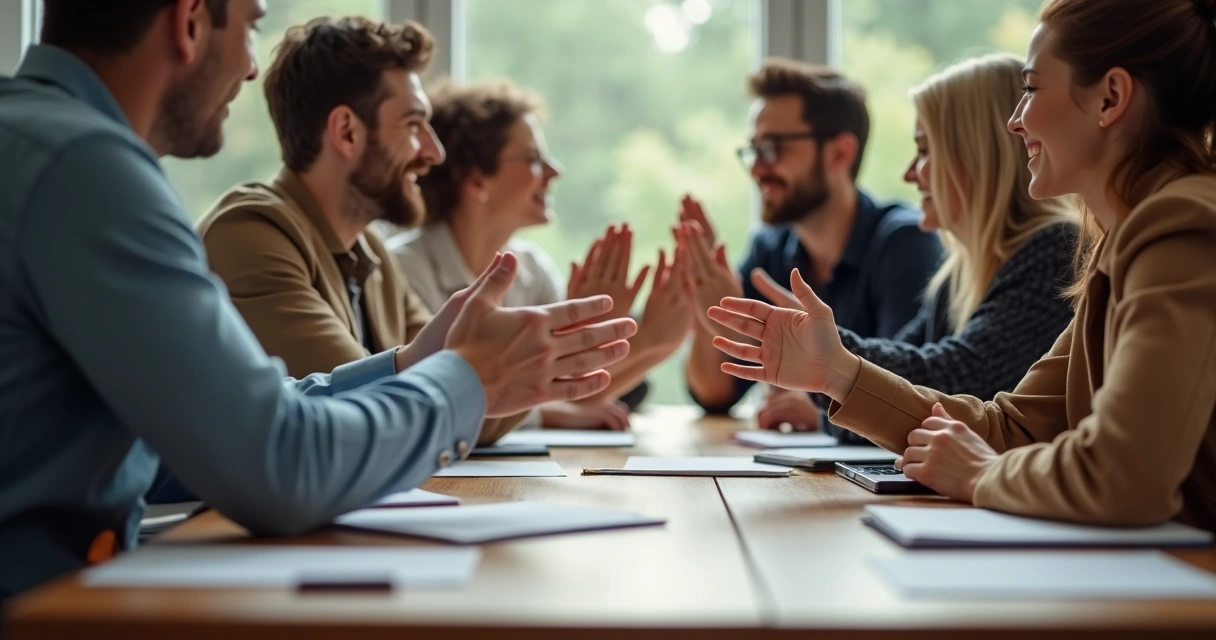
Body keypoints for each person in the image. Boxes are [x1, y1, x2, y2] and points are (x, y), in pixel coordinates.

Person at [0, 0, 633, 599]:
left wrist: (415, 365)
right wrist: (465, 377)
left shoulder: (42, 143)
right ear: (189, 21)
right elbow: (284, 460)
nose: (252, 66)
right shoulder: (89, 167)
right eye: (250, 25)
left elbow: (199, 435)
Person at [709, 0, 1216, 530]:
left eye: (1032, 88)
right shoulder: (1126, 240)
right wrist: (836, 372)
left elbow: (1123, 476)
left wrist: (982, 476)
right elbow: (1011, 429)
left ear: (1110, 98)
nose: (1016, 122)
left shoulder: (1178, 224)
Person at [193, 18, 527, 457]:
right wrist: (483, 371)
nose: (434, 152)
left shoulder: (372, 254)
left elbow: (470, 407)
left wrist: (526, 359)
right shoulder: (250, 233)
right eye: (412, 126)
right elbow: (360, 413)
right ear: (346, 132)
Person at [746, 54, 1077, 432]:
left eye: (923, 150)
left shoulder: (1056, 253)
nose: (909, 174)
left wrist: (828, 357)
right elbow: (906, 377)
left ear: (978, 154)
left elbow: (953, 379)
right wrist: (829, 371)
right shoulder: (959, 271)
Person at [390, 80, 692, 429]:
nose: (554, 171)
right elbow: (445, 401)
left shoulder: (532, 266)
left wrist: (655, 343)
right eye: (534, 159)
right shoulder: (404, 271)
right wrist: (647, 344)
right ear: (475, 181)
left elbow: (567, 390)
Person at [679, 59, 942, 435]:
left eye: (772, 149)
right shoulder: (768, 249)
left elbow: (903, 393)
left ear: (840, 153)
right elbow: (715, 394)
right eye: (753, 151)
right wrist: (709, 315)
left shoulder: (905, 242)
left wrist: (820, 411)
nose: (756, 169)